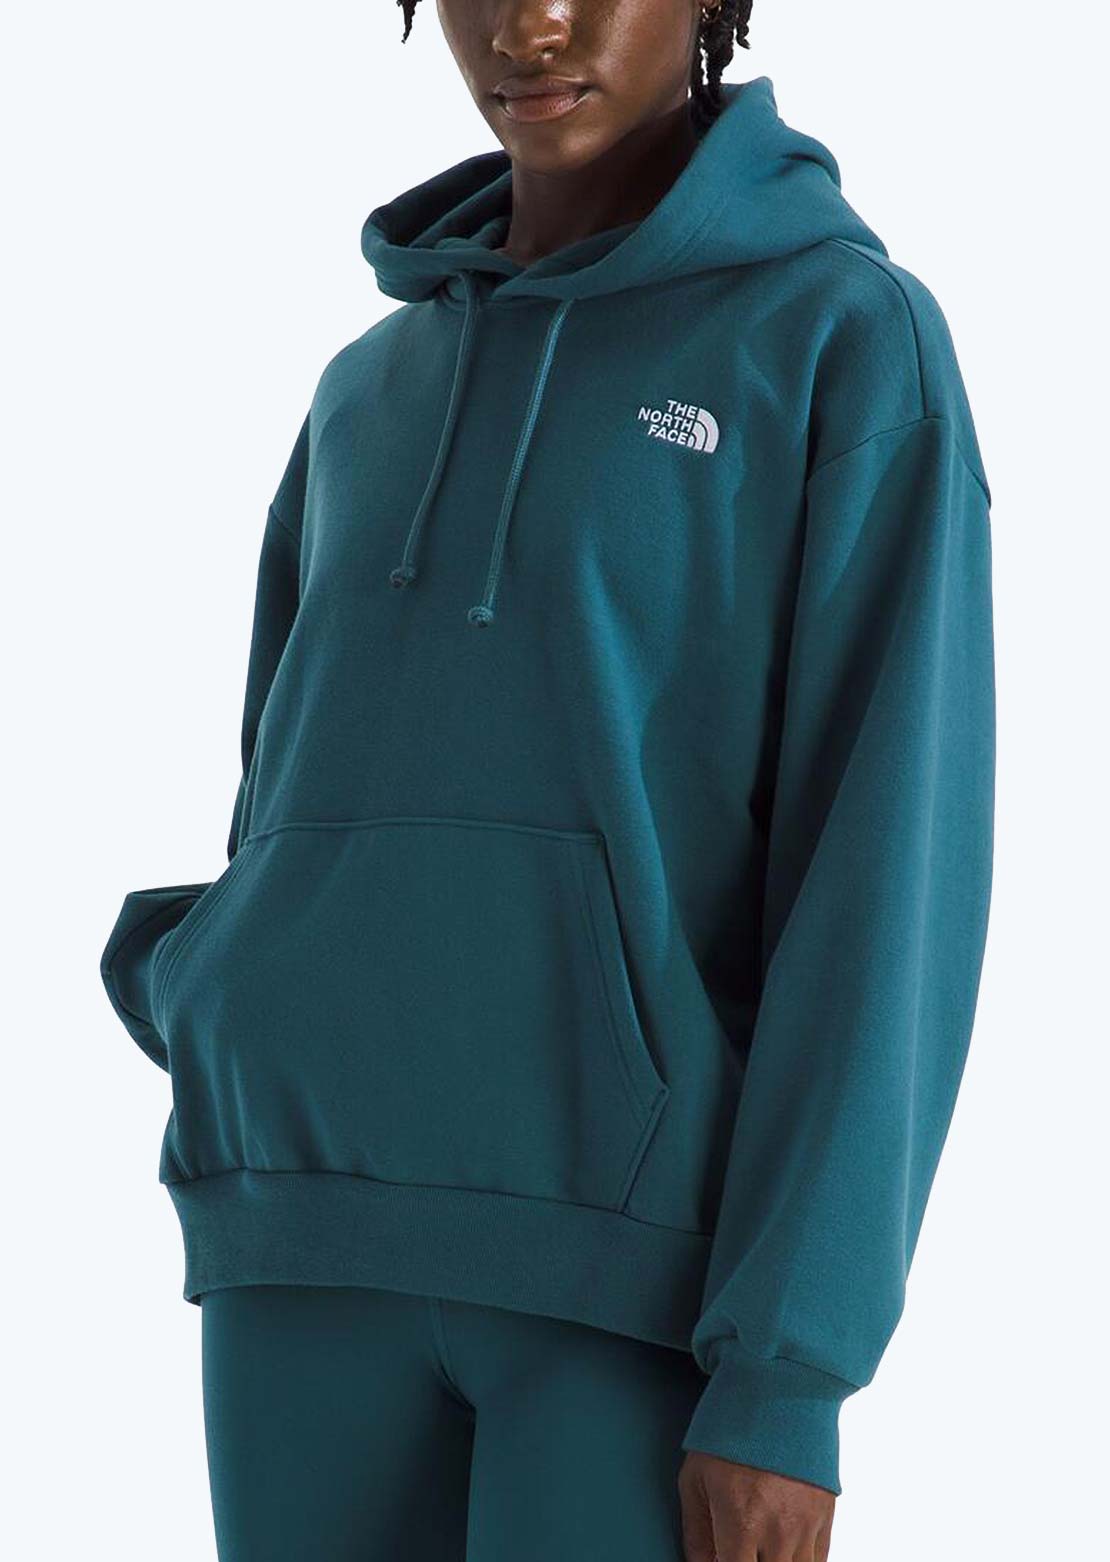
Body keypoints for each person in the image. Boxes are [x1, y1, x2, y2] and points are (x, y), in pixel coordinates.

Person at [98, 2, 995, 1559]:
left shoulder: (837, 337)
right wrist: (229, 987)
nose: (530, 22)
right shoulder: (365, 388)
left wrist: (786, 1373)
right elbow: (281, 788)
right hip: (298, 1245)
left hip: (631, 1290)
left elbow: (886, 875)